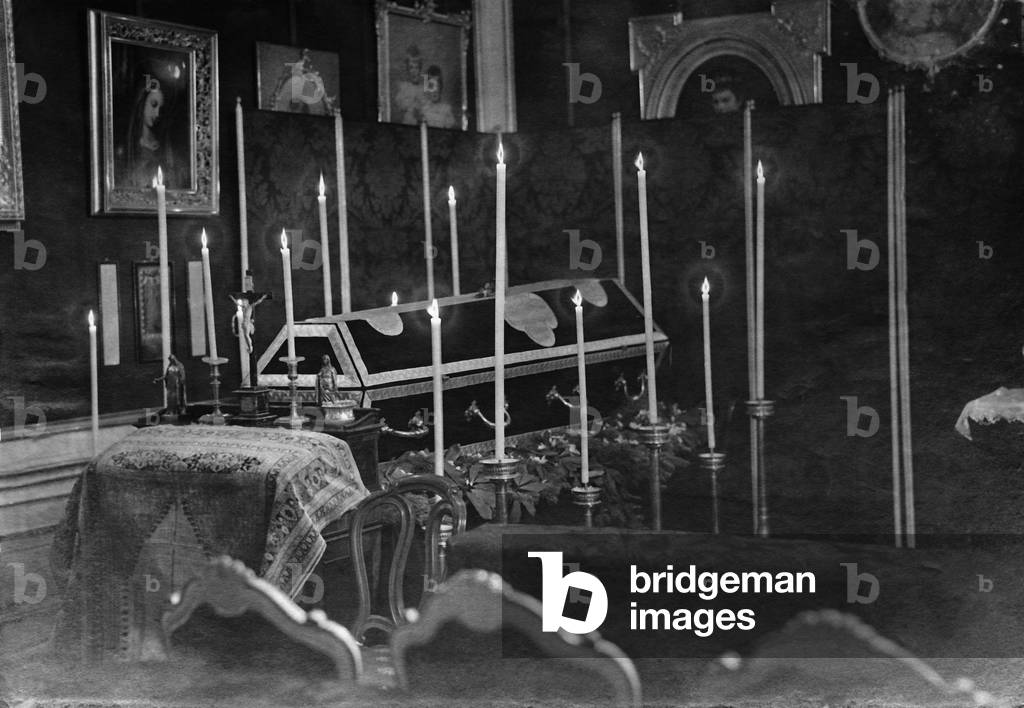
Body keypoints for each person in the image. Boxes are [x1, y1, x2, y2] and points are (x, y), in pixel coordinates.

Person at [119, 76, 180, 189]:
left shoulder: (162, 144)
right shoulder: (128, 145)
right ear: (141, 103)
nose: (157, 114)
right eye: (153, 104)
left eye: (160, 108)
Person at [393, 45, 425, 124]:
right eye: (411, 68)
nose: (414, 71)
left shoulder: (423, 88)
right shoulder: (404, 87)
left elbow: (428, 105)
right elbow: (399, 105)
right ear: (407, 70)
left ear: (420, 69)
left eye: (416, 68)